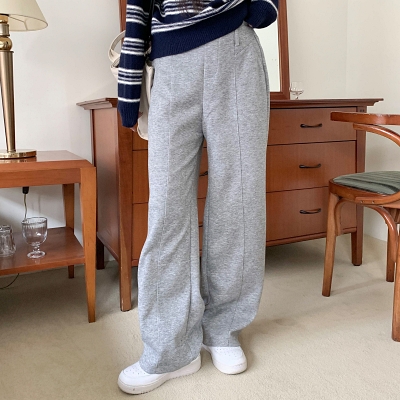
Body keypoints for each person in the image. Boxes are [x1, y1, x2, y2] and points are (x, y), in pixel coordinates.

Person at [117, 0, 278, 395]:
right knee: (166, 211)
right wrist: (129, 91)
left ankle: (223, 328)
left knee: (239, 202)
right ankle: (169, 349)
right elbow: (137, 12)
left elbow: (265, 11)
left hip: (236, 55)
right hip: (171, 67)